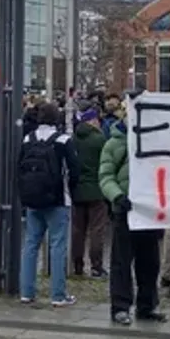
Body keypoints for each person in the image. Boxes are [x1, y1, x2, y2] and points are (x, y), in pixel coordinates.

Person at [98, 115, 165, 325]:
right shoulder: (114, 144)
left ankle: (147, 305)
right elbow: (105, 176)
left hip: (147, 212)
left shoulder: (154, 142)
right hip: (124, 211)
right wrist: (117, 196)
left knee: (150, 262)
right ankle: (120, 307)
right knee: (121, 261)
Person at [17, 102, 79, 306]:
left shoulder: (28, 139)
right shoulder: (63, 140)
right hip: (58, 199)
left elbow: (19, 167)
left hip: (33, 199)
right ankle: (58, 295)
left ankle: (27, 291)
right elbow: (74, 171)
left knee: (30, 244)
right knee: (57, 246)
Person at [71, 107, 109, 278]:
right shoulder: (100, 139)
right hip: (96, 189)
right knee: (96, 230)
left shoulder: (73, 139)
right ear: (93, 121)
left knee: (78, 230)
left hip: (78, 190)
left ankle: (77, 264)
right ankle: (96, 266)